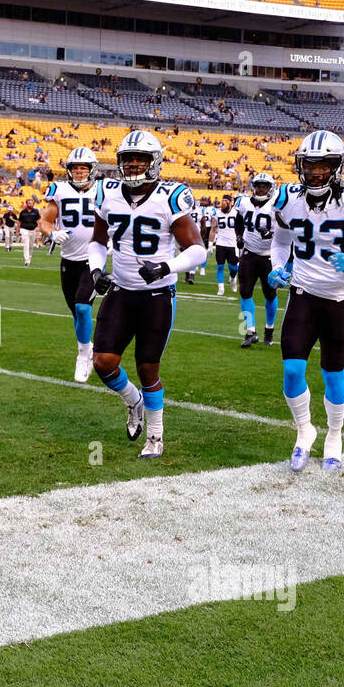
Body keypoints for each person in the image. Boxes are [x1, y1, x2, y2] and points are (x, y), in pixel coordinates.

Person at [268, 131, 344, 471]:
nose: (316, 172)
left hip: (339, 299)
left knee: (333, 375)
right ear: (300, 165)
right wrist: (278, 267)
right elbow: (279, 241)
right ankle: (304, 431)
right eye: (310, 165)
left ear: (337, 167)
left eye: (324, 166)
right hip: (303, 294)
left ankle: (335, 435)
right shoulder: (287, 199)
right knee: (292, 370)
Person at [88, 130, 206, 460]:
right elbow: (98, 241)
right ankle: (133, 401)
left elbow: (198, 250)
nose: (134, 164)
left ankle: (155, 436)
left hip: (157, 296)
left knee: (147, 369)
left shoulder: (170, 197)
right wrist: (97, 270)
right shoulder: (107, 194)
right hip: (121, 291)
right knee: (103, 362)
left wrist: (166, 267)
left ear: (155, 163)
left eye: (141, 159)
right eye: (128, 159)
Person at [39, 146, 102, 381]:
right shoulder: (60, 190)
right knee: (76, 314)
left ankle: (83, 355)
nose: (78, 172)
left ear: (92, 170)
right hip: (69, 259)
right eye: (75, 168)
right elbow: (45, 221)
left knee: (83, 308)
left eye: (83, 168)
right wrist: (52, 233)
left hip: (93, 258)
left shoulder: (102, 191)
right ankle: (89, 347)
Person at [235, 172, 279, 347]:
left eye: (264, 186)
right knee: (245, 292)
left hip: (269, 255)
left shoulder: (277, 205)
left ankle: (269, 329)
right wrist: (238, 236)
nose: (260, 188)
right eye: (258, 185)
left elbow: (286, 229)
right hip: (249, 253)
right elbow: (239, 222)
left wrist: (272, 234)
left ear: (270, 188)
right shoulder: (244, 202)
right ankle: (250, 331)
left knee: (270, 294)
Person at [209, 193, 240, 296]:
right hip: (221, 243)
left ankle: (232, 278)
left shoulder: (236, 213)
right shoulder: (217, 213)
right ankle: (221, 287)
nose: (223, 203)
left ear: (231, 203)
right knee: (220, 266)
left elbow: (241, 229)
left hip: (233, 244)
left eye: (226, 201)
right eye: (223, 201)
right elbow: (213, 229)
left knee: (233, 268)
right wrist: (210, 244)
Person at [17, 198, 40, 265]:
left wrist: (38, 230)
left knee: (31, 245)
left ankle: (29, 257)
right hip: (24, 229)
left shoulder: (36, 211)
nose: (31, 204)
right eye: (29, 203)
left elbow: (38, 221)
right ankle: (27, 260)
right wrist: (17, 231)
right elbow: (19, 222)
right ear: (27, 204)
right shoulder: (22, 212)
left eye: (32, 203)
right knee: (26, 244)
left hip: (33, 230)